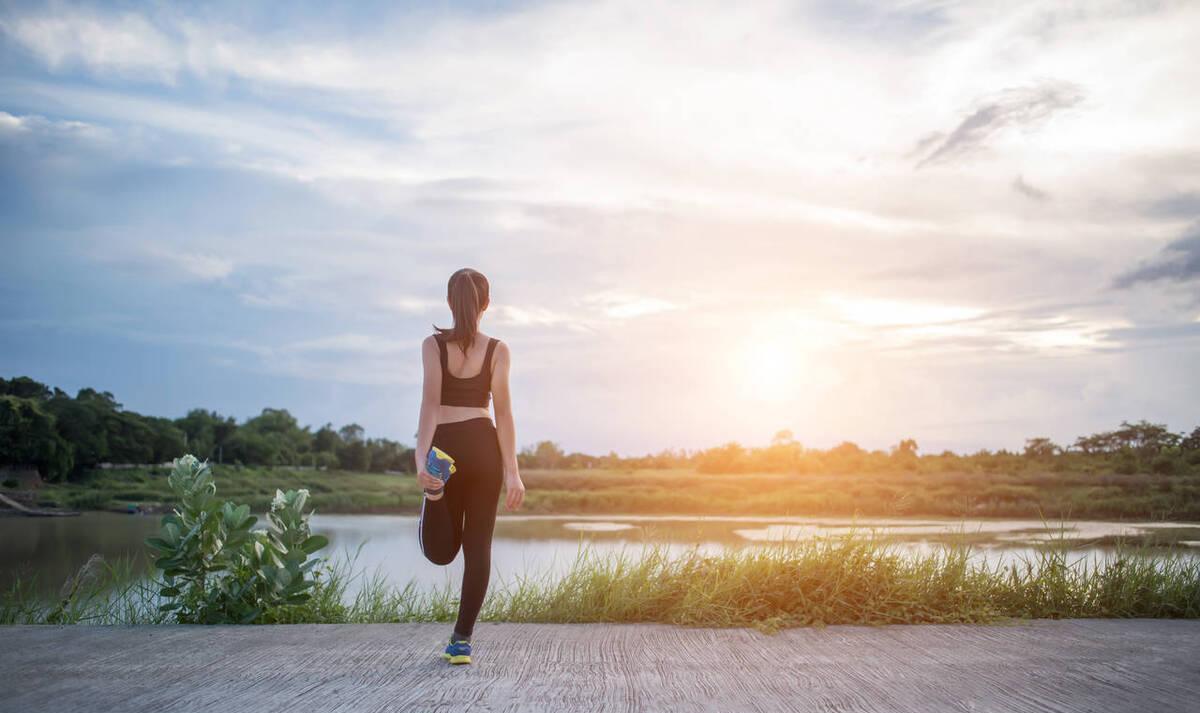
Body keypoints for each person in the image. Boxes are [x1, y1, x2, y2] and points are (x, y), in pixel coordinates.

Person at [414, 267, 525, 665]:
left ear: (448, 301)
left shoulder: (433, 345)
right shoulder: (498, 349)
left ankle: (435, 493)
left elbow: (430, 404)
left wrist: (421, 456)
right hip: (484, 447)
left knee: (440, 553)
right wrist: (512, 470)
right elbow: (505, 414)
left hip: (445, 448)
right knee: (479, 549)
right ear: (486, 304)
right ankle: (461, 641)